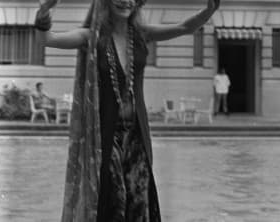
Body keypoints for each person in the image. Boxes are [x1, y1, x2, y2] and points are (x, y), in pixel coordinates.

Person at [34, 0, 220, 221]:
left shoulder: (141, 34)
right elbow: (47, 40)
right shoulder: (91, 37)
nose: (125, 1)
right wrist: (44, 13)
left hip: (136, 133)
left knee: (139, 198)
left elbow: (184, 28)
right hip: (105, 135)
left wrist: (209, 10)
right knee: (115, 197)